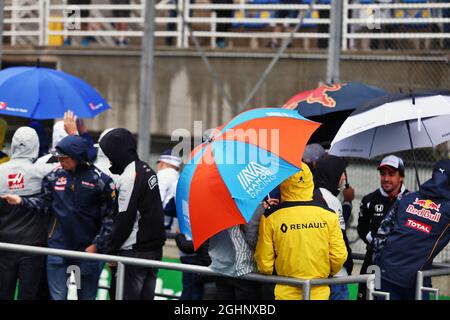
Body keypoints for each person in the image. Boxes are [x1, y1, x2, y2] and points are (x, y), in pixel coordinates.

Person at [1, 134, 116, 300]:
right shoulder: (54, 177)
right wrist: (21, 201)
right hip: (58, 250)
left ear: (76, 156)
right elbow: (44, 203)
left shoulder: (102, 181)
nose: (60, 161)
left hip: (88, 253)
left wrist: (96, 245)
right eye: (58, 157)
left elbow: (110, 218)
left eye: (64, 157)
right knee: (57, 298)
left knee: (86, 297)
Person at [255, 162, 348, 300]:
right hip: (319, 292)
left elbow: (265, 264)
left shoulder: (271, 217)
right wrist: (323, 273)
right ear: (310, 181)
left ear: (284, 182)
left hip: (285, 292)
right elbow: (339, 256)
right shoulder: (329, 215)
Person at [99, 128, 166, 300]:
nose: (109, 159)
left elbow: (125, 218)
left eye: (110, 154)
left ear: (118, 151)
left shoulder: (131, 176)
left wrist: (111, 251)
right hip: (153, 250)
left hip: (134, 252)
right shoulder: (147, 169)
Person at [373, 159, 450, 300]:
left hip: (386, 273)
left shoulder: (406, 198)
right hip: (416, 280)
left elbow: (380, 236)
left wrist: (380, 265)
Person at [0, 127, 56, 300]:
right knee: (28, 295)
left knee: (3, 293)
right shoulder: (44, 171)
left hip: (5, 244)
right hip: (33, 245)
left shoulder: (1, 171)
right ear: (35, 146)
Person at [356, 154, 408, 300]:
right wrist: (374, 241)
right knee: (369, 296)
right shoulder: (369, 200)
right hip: (373, 263)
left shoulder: (411, 200)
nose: (386, 178)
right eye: (383, 173)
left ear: (401, 177)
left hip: (399, 266)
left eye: (391, 174)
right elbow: (361, 228)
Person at [313, 154, 354, 300]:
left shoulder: (311, 194)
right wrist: (348, 264)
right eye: (341, 172)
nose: (343, 177)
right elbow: (340, 239)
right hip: (336, 277)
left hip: (317, 274)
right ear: (332, 172)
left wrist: (347, 202)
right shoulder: (330, 200)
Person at [157, 149, 182, 234]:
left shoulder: (162, 175)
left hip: (161, 226)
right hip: (175, 227)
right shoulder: (180, 177)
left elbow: (156, 200)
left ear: (162, 163)